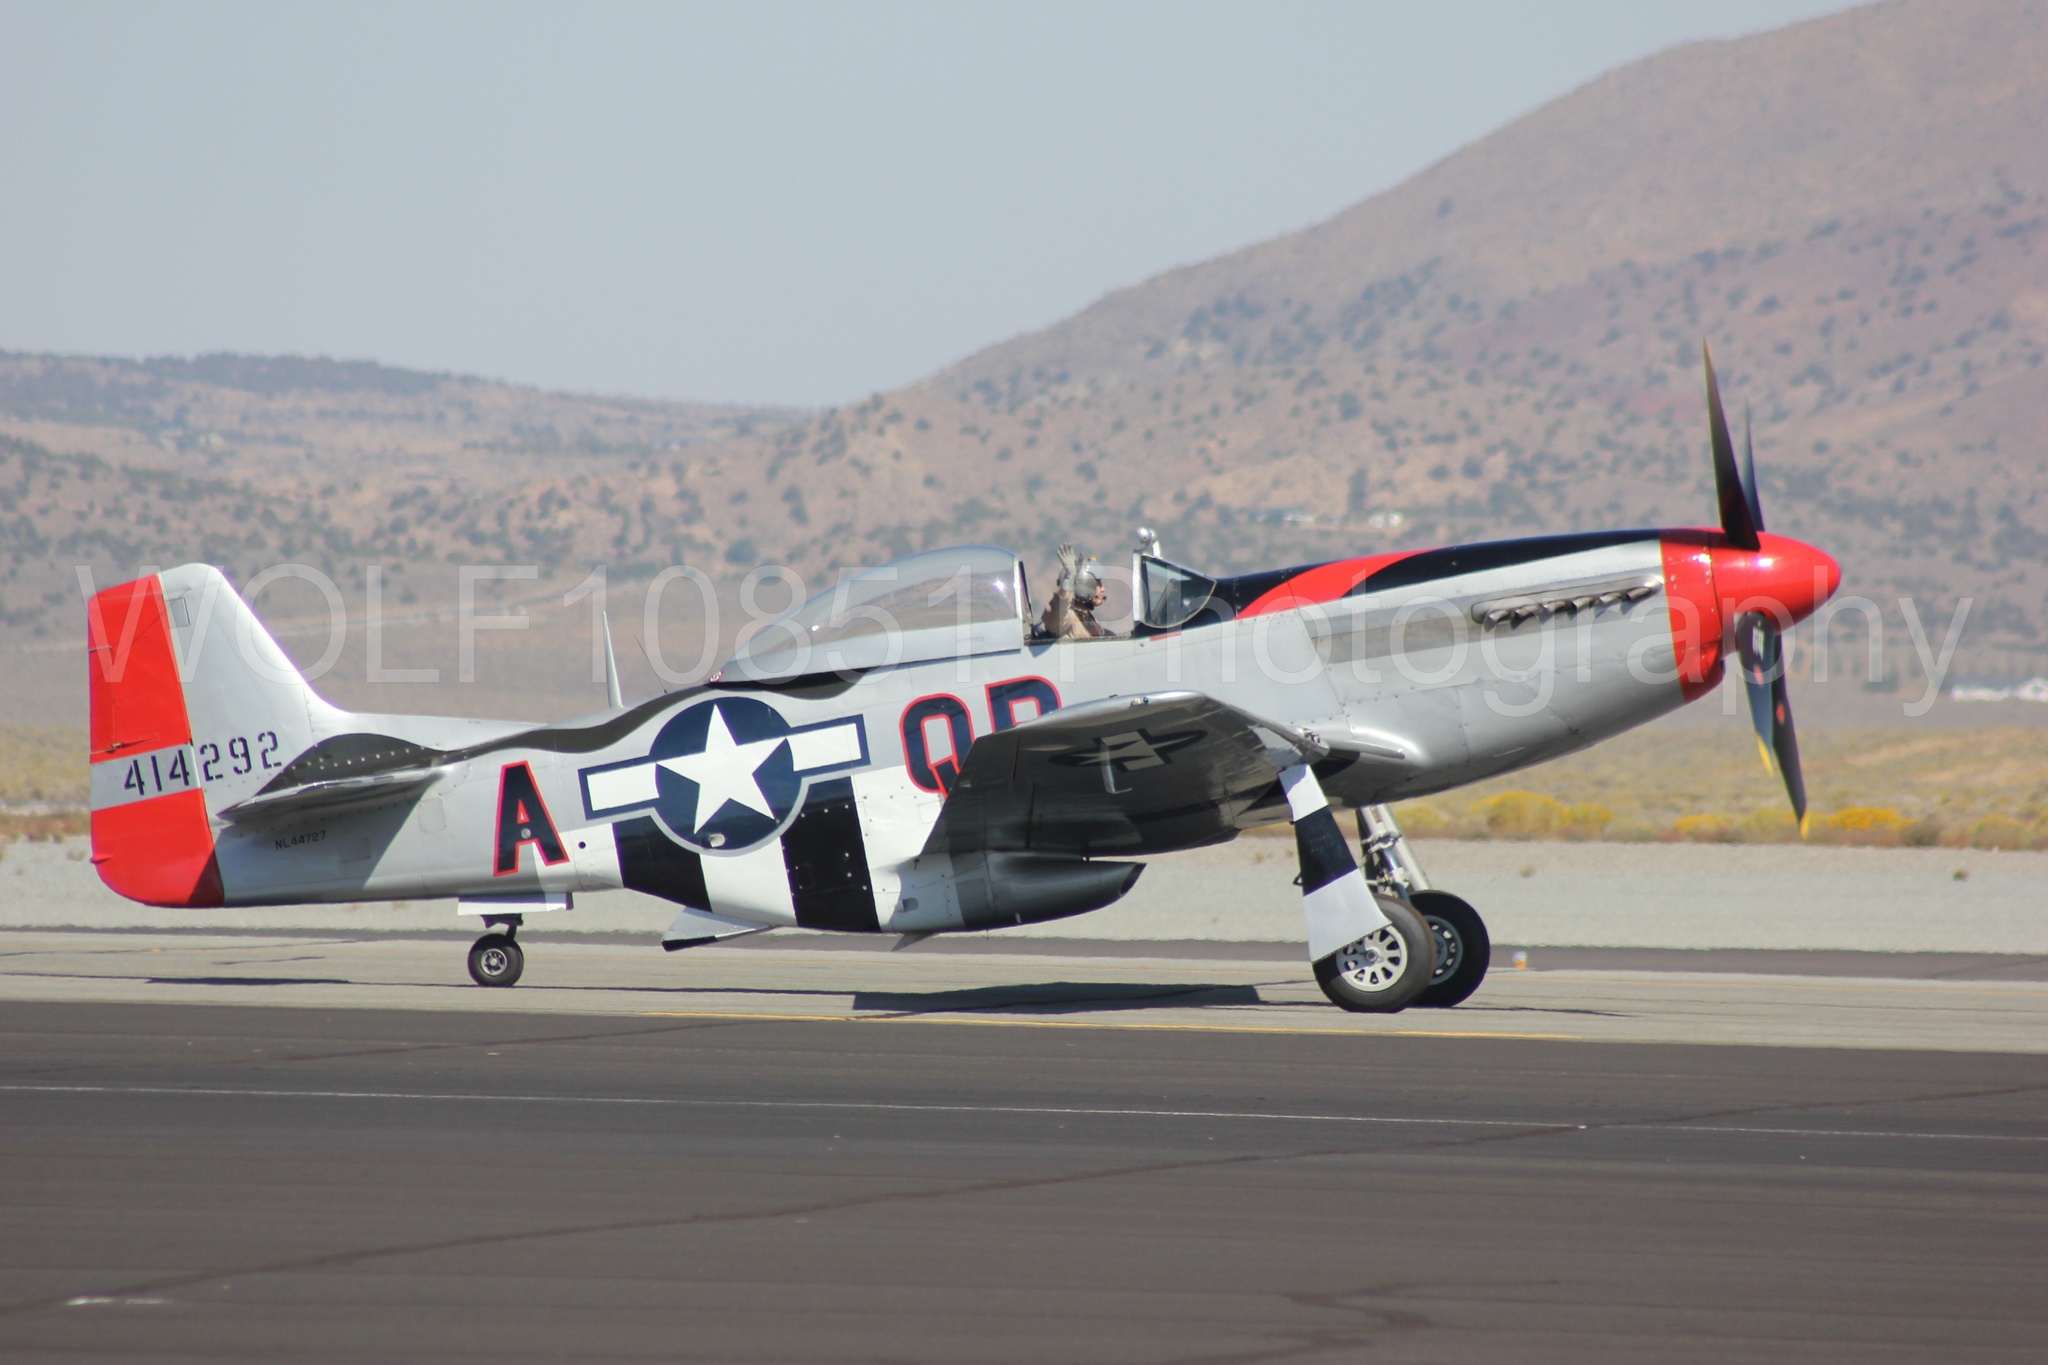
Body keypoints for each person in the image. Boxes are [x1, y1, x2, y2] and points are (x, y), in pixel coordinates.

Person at [1042, 542, 1109, 639]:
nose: (1103, 589)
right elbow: (1054, 617)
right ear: (1085, 584)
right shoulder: (1068, 617)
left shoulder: (1086, 617)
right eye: (1099, 584)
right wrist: (1070, 579)